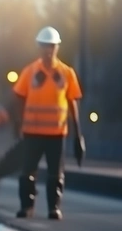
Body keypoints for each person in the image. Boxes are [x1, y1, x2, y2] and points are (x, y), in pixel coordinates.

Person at [13, 26, 85, 220]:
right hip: (32, 132)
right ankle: (27, 206)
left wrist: (78, 135)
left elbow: (72, 102)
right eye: (45, 46)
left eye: (52, 46)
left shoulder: (67, 73)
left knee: (55, 173)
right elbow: (18, 97)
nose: (48, 50)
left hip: (57, 133)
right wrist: (18, 125)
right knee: (28, 171)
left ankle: (54, 207)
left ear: (57, 48)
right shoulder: (30, 72)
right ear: (39, 47)